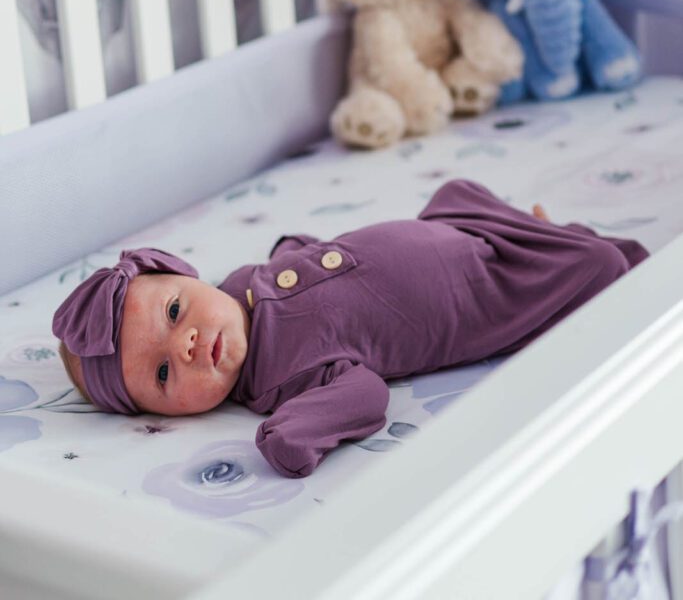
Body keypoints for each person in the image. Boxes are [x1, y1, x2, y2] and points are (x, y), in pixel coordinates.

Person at [53, 180, 648, 478]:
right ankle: (556, 240)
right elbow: (365, 395)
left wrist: (295, 250)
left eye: (176, 311)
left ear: (189, 275)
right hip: (481, 297)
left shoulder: (236, 285)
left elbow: (293, 255)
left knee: (457, 191)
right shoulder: (278, 381)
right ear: (167, 414)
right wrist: (296, 433)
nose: (183, 345)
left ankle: (529, 228)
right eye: (162, 373)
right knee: (602, 269)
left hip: (449, 230)